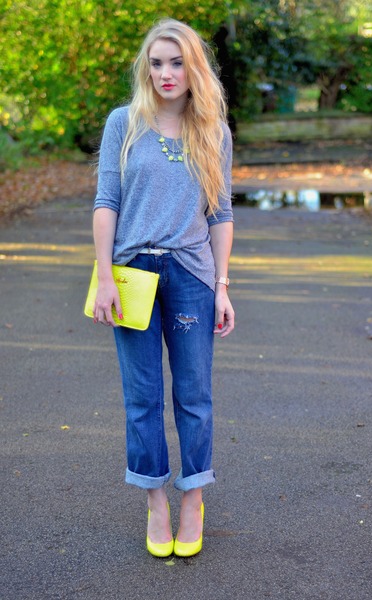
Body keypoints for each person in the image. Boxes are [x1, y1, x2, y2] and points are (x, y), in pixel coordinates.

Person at [92, 18, 234, 558]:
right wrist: (104, 276)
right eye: (156, 63)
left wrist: (222, 286)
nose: (165, 73)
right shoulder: (123, 124)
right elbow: (107, 202)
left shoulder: (213, 131)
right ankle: (155, 503)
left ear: (193, 66)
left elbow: (220, 213)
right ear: (145, 69)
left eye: (176, 62)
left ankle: (193, 498)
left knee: (194, 395)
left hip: (192, 276)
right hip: (132, 274)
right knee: (142, 398)